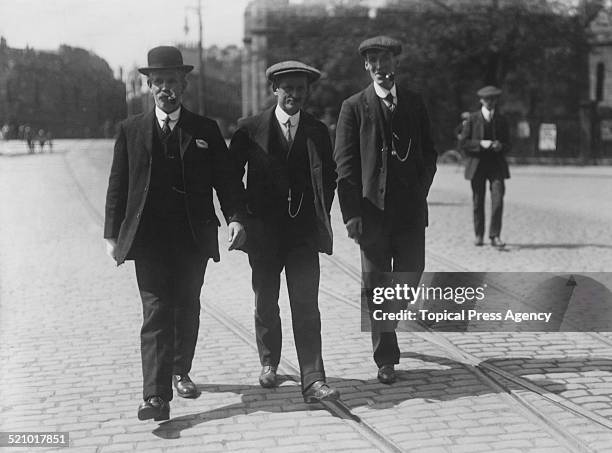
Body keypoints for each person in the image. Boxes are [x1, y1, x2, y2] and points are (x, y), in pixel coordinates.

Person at [104, 46, 246, 421]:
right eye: (159, 81)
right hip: (148, 238)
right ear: (149, 86)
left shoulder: (205, 130)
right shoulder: (131, 130)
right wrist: (111, 234)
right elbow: (118, 185)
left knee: (187, 306)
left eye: (172, 81)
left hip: (191, 236)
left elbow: (227, 181)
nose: (165, 88)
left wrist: (235, 217)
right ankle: (154, 396)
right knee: (156, 311)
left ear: (183, 84)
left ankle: (180, 370)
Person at [229, 61, 340, 403]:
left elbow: (331, 175)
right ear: (274, 89)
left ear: (307, 92)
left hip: (302, 234)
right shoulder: (249, 128)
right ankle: (269, 363)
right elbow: (230, 178)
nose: (294, 95)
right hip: (263, 234)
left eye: (300, 89)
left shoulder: (317, 130)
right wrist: (240, 217)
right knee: (266, 301)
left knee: (306, 305)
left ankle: (314, 378)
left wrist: (319, 210)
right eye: (287, 88)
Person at [334, 36, 437, 384]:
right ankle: (386, 358)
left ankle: (388, 319)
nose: (380, 67)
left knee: (411, 274)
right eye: (373, 61)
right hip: (371, 212)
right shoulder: (353, 107)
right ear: (366, 66)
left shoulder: (414, 103)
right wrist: (352, 214)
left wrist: (418, 192)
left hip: (408, 213)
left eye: (386, 59)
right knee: (377, 283)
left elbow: (429, 155)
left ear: (396, 62)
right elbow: (345, 166)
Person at [459, 85, 510, 248]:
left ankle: (495, 235)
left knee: (498, 199)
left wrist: (500, 146)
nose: (490, 102)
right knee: (477, 201)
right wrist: (481, 143)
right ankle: (479, 235)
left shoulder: (502, 119)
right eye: (487, 99)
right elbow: (463, 143)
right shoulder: (473, 119)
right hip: (477, 165)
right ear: (481, 100)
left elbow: (510, 143)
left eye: (493, 99)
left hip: (496, 166)